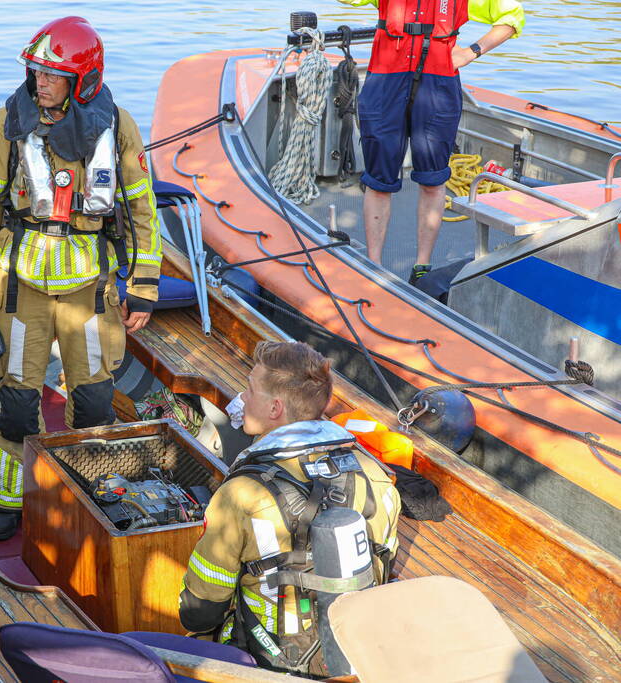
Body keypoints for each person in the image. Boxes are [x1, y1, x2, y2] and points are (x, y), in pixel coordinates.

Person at [0, 16, 162, 540]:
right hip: (21, 286)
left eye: (52, 74)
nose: (40, 82)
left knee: (94, 403)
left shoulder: (118, 126)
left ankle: (89, 496)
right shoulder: (8, 120)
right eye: (36, 72)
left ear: (83, 80)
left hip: (90, 289)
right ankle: (9, 503)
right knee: (16, 403)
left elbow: (142, 211)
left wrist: (143, 287)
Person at [178, 341, 401, 676]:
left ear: (275, 408)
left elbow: (201, 611)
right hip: (357, 659)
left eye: (250, 389)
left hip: (265, 660)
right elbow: (383, 564)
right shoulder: (377, 477)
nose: (242, 398)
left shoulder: (241, 495)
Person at [339, 0, 525, 285]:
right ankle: (373, 264)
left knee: (433, 179)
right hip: (385, 81)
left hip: (438, 86)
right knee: (378, 180)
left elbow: (512, 17)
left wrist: (471, 52)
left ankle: (422, 266)